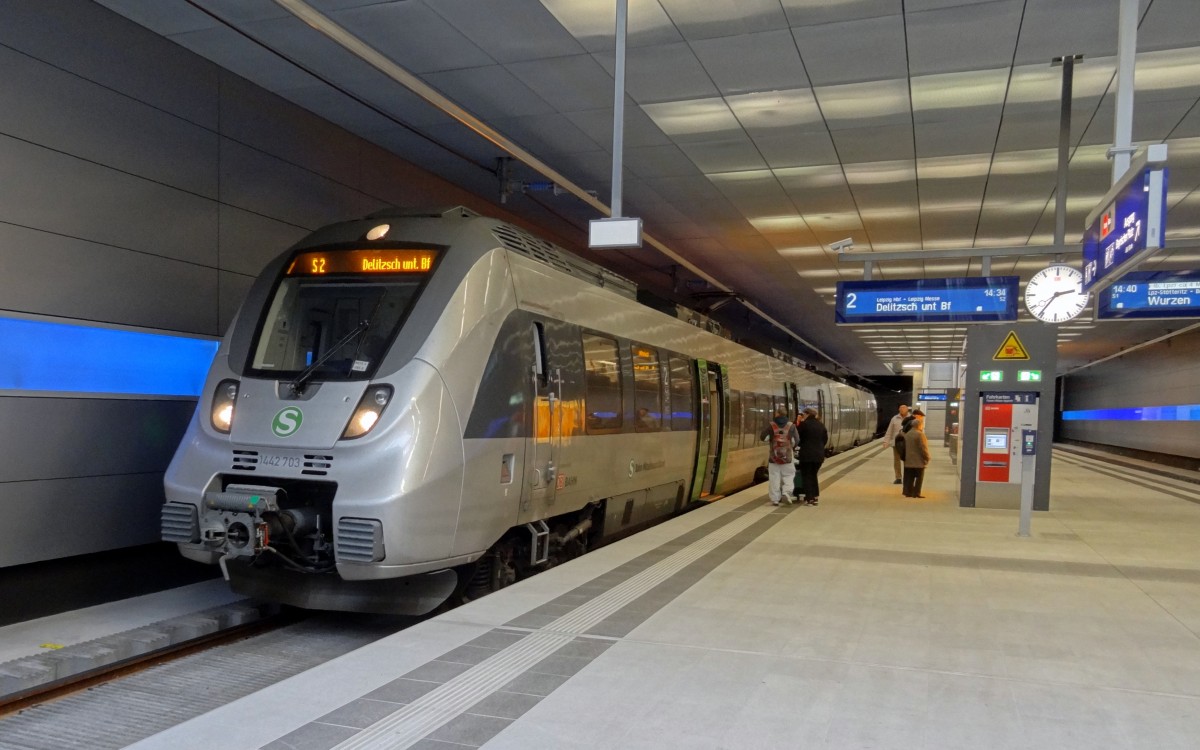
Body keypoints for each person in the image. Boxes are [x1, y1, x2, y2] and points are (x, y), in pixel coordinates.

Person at [759, 409, 798, 506]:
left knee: (774, 478)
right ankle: (786, 491)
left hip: (774, 458)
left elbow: (763, 437)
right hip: (787, 458)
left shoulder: (771, 425)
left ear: (777, 414)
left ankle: (775, 499)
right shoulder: (791, 426)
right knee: (789, 475)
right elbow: (796, 440)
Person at [795, 407, 828, 506]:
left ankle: (809, 498)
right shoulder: (821, 425)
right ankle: (815, 496)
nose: (802, 416)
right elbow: (825, 440)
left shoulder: (804, 425)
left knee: (807, 476)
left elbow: (797, 438)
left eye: (803, 414)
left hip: (806, 455)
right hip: (819, 455)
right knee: (813, 475)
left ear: (807, 414)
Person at [902, 408, 931, 498]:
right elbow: (923, 448)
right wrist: (927, 457)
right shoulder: (920, 434)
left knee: (910, 477)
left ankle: (909, 492)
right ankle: (916, 493)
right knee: (919, 478)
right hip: (918, 461)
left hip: (909, 460)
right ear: (919, 425)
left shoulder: (907, 434)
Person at [882, 404, 910, 485]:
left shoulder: (911, 419)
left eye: (903, 409)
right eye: (900, 409)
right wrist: (886, 441)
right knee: (896, 461)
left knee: (907, 461)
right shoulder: (894, 419)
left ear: (907, 410)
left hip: (907, 443)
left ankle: (907, 477)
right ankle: (898, 478)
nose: (902, 410)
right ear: (899, 410)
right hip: (896, 443)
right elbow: (889, 431)